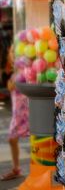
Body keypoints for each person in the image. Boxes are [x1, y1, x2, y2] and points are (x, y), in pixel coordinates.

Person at [1, 45, 29, 181]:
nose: (11, 54)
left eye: (13, 52)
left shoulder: (24, 70)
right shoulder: (16, 71)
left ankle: (17, 168)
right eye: (10, 51)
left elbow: (12, 86)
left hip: (25, 112)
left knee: (14, 139)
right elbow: (10, 87)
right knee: (13, 140)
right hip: (18, 112)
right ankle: (16, 168)